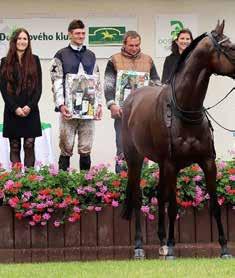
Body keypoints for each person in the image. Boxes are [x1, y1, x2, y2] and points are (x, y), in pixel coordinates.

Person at [104, 30, 160, 173]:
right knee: (123, 148)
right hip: (122, 114)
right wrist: (112, 105)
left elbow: (156, 83)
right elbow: (108, 85)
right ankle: (121, 183)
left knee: (144, 148)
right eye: (131, 45)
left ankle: (143, 181)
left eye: (137, 45)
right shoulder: (114, 60)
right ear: (124, 44)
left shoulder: (148, 60)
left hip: (144, 115)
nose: (134, 48)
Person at [50, 19, 102, 171]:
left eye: (83, 33)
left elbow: (96, 82)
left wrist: (98, 105)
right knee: (66, 146)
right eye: (77, 33)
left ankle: (85, 187)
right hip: (68, 110)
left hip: (88, 109)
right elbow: (56, 81)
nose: (81, 36)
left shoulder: (91, 55)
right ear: (70, 34)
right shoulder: (60, 55)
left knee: (86, 148)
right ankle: (62, 186)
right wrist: (61, 105)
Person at [0, 28, 42, 168]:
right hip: (13, 111)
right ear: (14, 41)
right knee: (15, 146)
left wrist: (29, 106)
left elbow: (38, 88)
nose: (22, 41)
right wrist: (15, 108)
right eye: (19, 38)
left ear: (28, 42)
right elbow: (4, 90)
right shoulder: (5, 61)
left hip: (31, 109)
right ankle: (17, 183)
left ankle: (29, 180)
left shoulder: (35, 60)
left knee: (29, 145)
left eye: (25, 39)